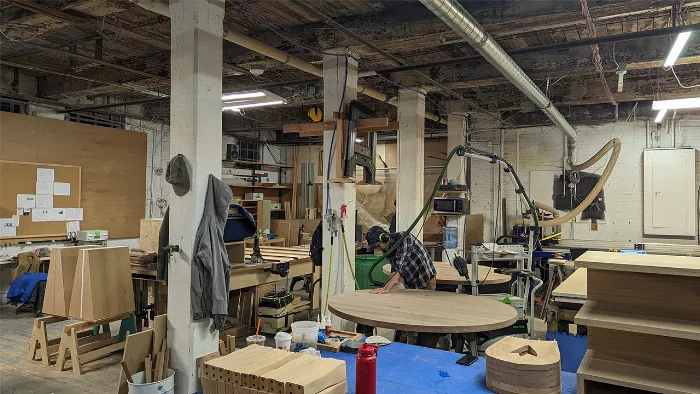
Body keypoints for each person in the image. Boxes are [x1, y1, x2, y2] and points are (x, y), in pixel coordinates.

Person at [364, 226, 437, 294]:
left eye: (377, 246)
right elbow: (397, 271)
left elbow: (398, 270)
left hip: (425, 280)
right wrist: (399, 285)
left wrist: (385, 288)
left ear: (384, 238)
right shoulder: (387, 250)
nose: (378, 249)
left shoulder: (404, 238)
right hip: (410, 282)